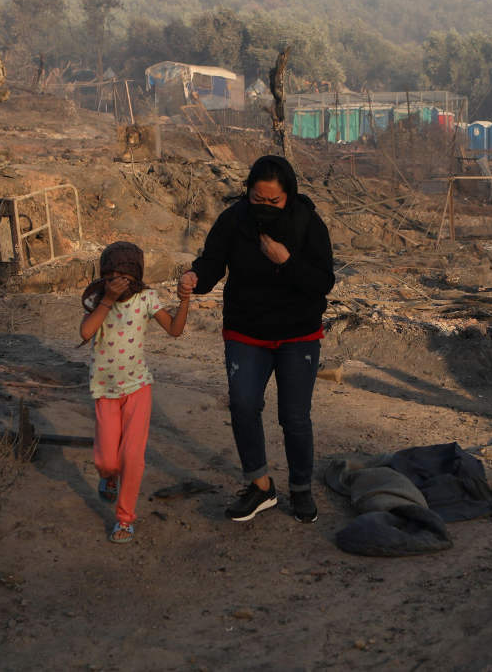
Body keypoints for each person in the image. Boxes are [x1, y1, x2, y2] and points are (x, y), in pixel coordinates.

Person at [178, 155, 335, 524]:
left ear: (289, 196)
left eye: (273, 202)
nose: (264, 207)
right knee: (243, 405)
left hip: (298, 334)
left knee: (294, 417)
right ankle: (260, 486)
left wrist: (286, 261)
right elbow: (212, 263)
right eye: (257, 199)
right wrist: (194, 278)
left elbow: (323, 282)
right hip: (246, 331)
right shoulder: (234, 220)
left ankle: (301, 489)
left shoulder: (308, 223)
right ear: (247, 192)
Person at [79, 241, 190, 544]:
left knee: (132, 457)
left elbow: (175, 330)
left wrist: (184, 301)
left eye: (124, 275)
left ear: (136, 276)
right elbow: (86, 332)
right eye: (111, 274)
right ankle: (109, 478)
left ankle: (125, 518)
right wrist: (107, 300)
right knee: (105, 459)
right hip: (104, 390)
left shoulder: (146, 299)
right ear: (103, 275)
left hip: (138, 387)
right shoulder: (96, 299)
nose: (117, 281)